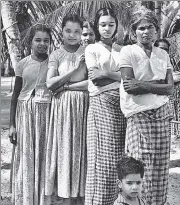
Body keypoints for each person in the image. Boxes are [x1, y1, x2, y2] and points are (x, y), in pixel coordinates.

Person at [119, 7, 174, 205]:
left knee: (160, 169)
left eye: (150, 27)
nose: (146, 31)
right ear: (134, 32)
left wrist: (143, 85)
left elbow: (170, 90)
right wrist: (159, 84)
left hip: (161, 114)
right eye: (141, 28)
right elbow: (129, 87)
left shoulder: (162, 54)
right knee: (138, 167)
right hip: (139, 115)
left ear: (156, 30)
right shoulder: (128, 51)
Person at [84, 8, 126, 205]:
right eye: (103, 24)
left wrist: (106, 73)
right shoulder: (91, 49)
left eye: (111, 24)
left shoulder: (122, 50)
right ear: (96, 26)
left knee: (118, 155)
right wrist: (117, 75)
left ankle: (115, 200)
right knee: (102, 159)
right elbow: (96, 80)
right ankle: (99, 201)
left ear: (116, 26)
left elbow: (130, 77)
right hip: (101, 104)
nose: (107, 28)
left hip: (121, 106)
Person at [45, 14, 88, 205]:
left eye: (77, 31)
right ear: (61, 31)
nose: (72, 35)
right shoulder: (56, 54)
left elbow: (92, 83)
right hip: (62, 108)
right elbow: (50, 83)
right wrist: (74, 69)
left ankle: (81, 195)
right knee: (64, 147)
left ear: (82, 33)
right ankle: (63, 195)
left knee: (82, 148)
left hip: (83, 106)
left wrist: (67, 85)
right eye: (68, 31)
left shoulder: (88, 51)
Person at [9, 24, 52, 205]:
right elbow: (16, 95)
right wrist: (12, 125)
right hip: (25, 113)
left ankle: (44, 198)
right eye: (38, 40)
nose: (42, 44)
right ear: (31, 41)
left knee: (44, 154)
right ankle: (25, 197)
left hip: (46, 112)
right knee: (26, 153)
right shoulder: (22, 64)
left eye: (46, 41)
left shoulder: (54, 62)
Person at [154, 38, 180, 138]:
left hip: (165, 109)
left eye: (166, 50)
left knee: (164, 142)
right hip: (150, 108)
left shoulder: (167, 66)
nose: (163, 52)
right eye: (161, 48)